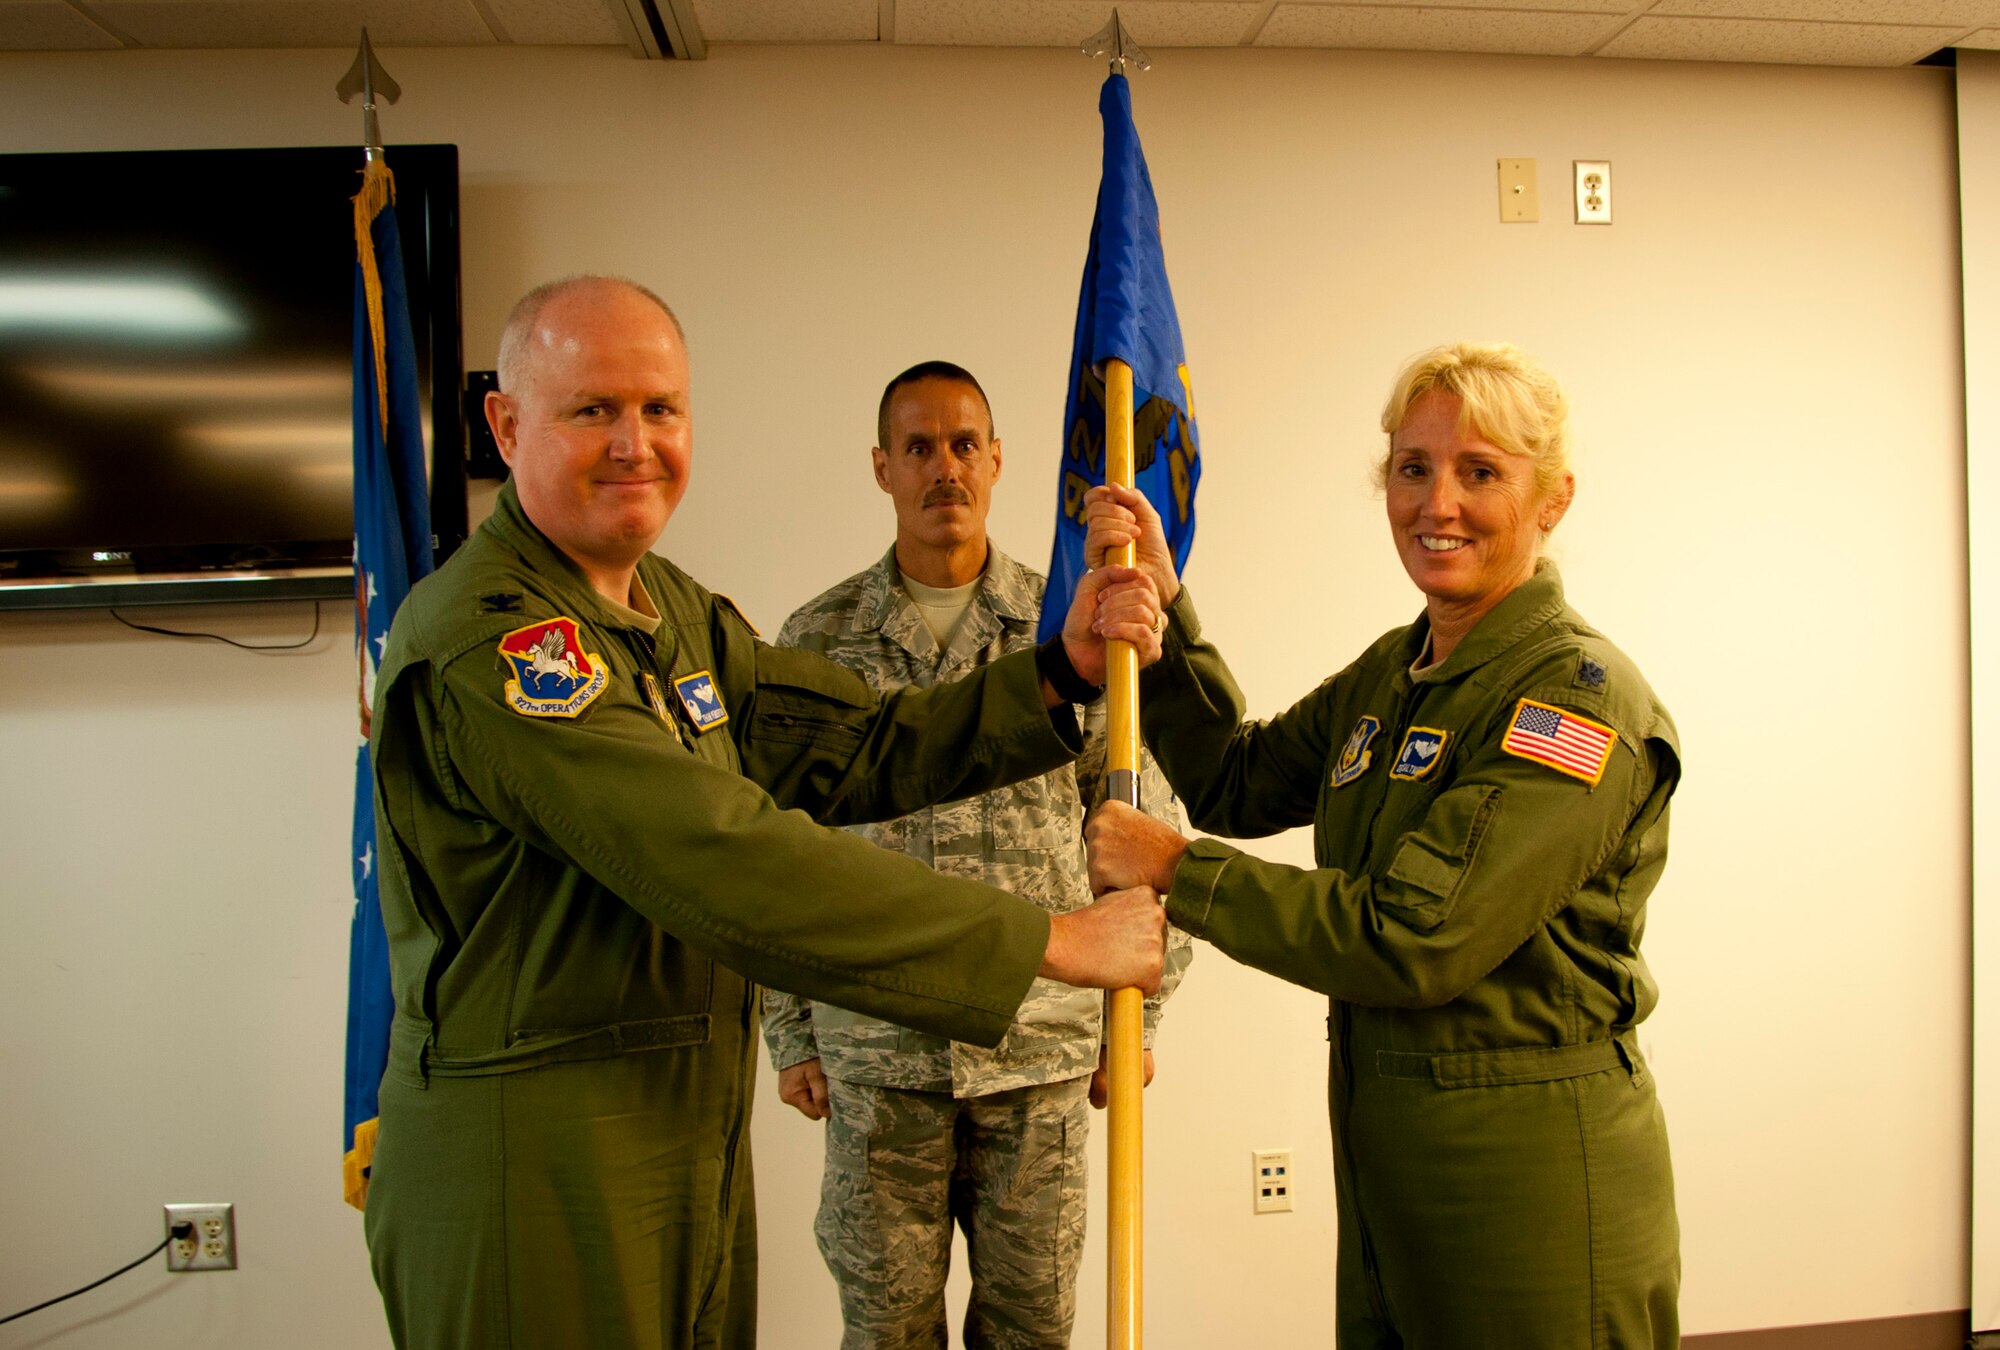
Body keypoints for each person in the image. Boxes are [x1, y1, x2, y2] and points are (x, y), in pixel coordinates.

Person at [361, 275, 1171, 1350]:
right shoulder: (501, 642)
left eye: (661, 408)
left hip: (678, 1129)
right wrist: (1051, 941)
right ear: (507, 426)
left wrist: (1057, 677)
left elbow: (859, 744)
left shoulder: (670, 610)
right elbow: (724, 861)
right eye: (591, 408)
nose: (634, 442)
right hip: (538, 1147)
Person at [1085, 341, 1681, 1348]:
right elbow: (1236, 777)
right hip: (1385, 1168)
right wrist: (1165, 614)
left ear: (1551, 500)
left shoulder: (1572, 701)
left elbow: (1416, 936)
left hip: (1524, 1174)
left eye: (1479, 472)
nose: (1434, 502)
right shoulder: (1394, 672)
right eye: (1413, 468)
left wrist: (1176, 870)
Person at [762, 360, 1193, 1349]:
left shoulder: (1072, 630)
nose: (943, 468)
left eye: (963, 445)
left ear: (997, 461)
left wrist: (1142, 1015)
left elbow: (1146, 838)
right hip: (876, 1054)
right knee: (884, 1331)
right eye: (917, 447)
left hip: (1035, 1053)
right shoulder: (817, 641)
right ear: (881, 467)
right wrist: (789, 1032)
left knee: (1031, 1329)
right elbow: (773, 848)